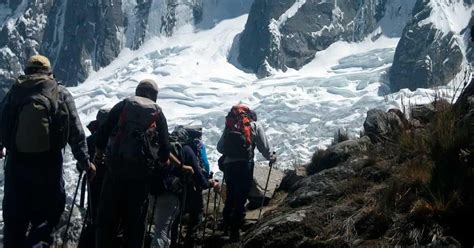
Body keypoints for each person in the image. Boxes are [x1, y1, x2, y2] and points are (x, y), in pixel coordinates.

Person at [0, 54, 95, 247]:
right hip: (48, 168)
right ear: (49, 71)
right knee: (44, 225)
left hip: (17, 167)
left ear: (27, 71)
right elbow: (76, 131)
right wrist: (85, 162)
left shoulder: (15, 92)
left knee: (14, 227)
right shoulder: (59, 92)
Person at [94, 79, 181, 248]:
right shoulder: (157, 113)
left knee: (107, 220)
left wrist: (99, 154)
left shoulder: (124, 105)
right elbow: (165, 148)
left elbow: (103, 131)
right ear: (154, 95)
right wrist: (160, 166)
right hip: (140, 178)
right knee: (134, 225)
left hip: (115, 172)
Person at [217, 104, 276, 242]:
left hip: (229, 166)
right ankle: (235, 231)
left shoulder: (230, 126)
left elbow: (220, 147)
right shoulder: (255, 125)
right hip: (244, 164)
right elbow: (264, 146)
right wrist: (271, 157)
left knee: (231, 194)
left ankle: (226, 225)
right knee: (241, 195)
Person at [78, 108, 110, 248]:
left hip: (93, 182)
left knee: (93, 215)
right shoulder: (116, 139)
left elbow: (80, 165)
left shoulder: (90, 140)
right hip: (111, 182)